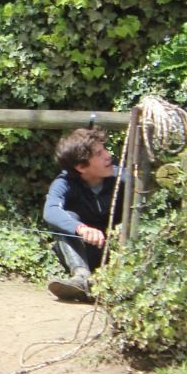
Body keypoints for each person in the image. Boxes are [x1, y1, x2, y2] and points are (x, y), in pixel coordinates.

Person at [43, 127, 124, 302]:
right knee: (65, 219)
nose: (108, 155)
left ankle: (100, 285)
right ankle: (81, 277)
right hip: (85, 252)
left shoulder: (122, 179)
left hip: (116, 253)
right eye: (99, 153)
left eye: (105, 149)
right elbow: (51, 211)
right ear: (81, 167)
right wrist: (81, 229)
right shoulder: (64, 183)